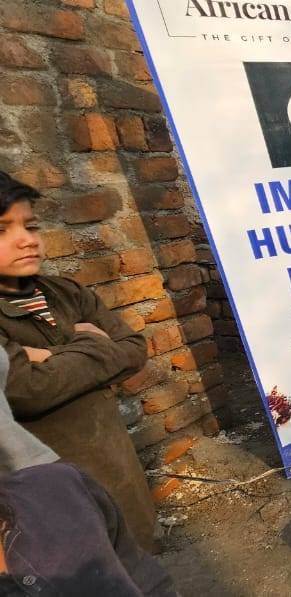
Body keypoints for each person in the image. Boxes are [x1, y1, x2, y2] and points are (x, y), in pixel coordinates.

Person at [0, 171, 157, 550]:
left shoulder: (66, 292)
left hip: (117, 470)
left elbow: (133, 348)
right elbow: (24, 389)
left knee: (142, 558)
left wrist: (48, 357)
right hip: (51, 491)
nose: (26, 240)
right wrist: (89, 340)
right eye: (2, 229)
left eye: (30, 226)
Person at [0, 349, 176, 595]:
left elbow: (131, 349)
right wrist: (89, 344)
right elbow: (30, 387)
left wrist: (54, 354)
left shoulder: (58, 487)